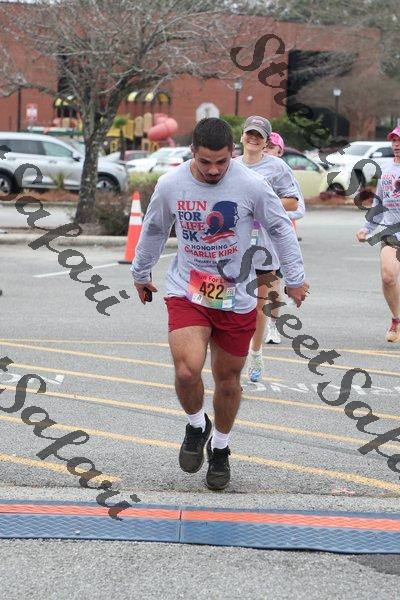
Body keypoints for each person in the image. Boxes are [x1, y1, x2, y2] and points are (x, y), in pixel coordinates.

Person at [131, 118, 309, 491]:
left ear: (232, 153)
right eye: (205, 162)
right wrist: (141, 272)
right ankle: (197, 426)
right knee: (186, 371)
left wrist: (294, 278)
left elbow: (279, 227)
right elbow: (155, 228)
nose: (214, 170)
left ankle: (221, 448)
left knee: (227, 382)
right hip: (188, 289)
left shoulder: (251, 184)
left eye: (222, 162)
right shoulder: (171, 185)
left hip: (237, 294)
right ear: (192, 152)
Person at [235, 119, 305, 382]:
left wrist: (261, 202)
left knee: (258, 305)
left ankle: (255, 353)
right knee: (232, 304)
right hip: (235, 245)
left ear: (266, 142)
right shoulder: (231, 166)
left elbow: (293, 202)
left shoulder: (277, 167)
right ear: (242, 136)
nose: (253, 138)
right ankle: (235, 355)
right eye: (249, 133)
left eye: (259, 135)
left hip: (265, 244)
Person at [356, 126, 400, 342]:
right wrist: (367, 228)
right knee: (388, 277)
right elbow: (379, 203)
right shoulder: (386, 169)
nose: (397, 145)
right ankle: (396, 320)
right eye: (394, 140)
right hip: (392, 232)